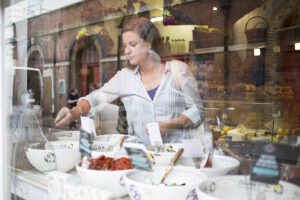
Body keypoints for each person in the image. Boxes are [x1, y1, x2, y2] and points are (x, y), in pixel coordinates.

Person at [54, 17, 203, 145]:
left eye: (132, 44)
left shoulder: (178, 71)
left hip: (177, 156)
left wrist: (170, 124)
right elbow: (95, 98)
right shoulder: (124, 77)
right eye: (125, 46)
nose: (126, 51)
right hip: (141, 158)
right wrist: (75, 112)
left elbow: (197, 110)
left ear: (149, 43)